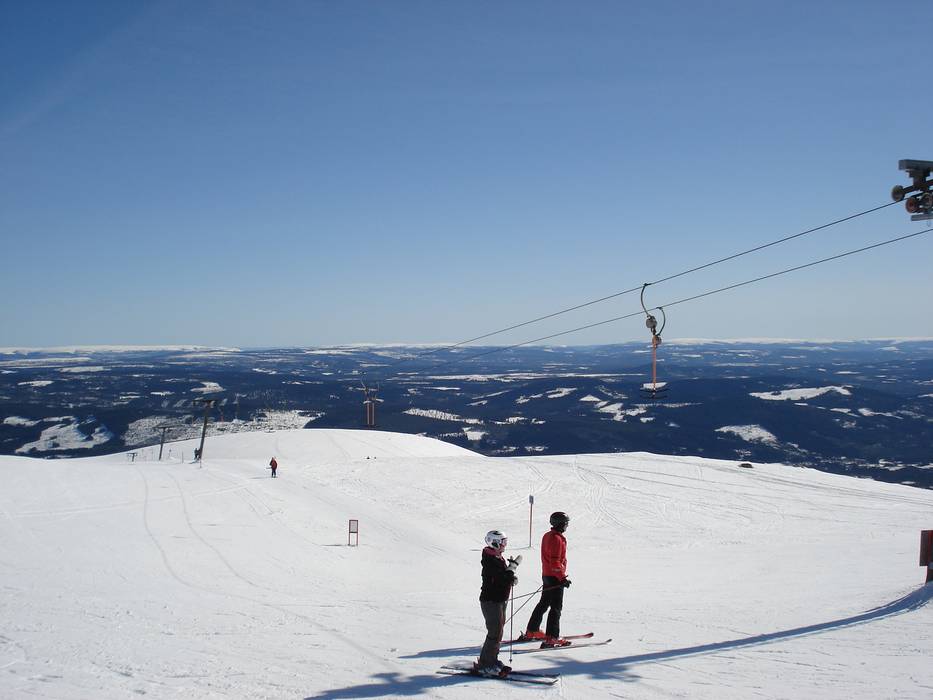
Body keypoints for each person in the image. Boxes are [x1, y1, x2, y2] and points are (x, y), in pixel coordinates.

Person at [475, 530, 522, 677]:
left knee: (498, 632)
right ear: (494, 543)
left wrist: (510, 575)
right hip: (491, 601)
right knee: (494, 632)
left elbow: (502, 578)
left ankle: (492, 661)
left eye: (505, 542)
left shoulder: (497, 557)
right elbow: (500, 578)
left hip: (499, 599)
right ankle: (485, 665)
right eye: (503, 542)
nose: (504, 545)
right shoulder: (490, 560)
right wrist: (512, 570)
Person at [521, 511, 571, 648]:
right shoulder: (556, 539)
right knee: (556, 607)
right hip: (555, 577)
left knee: (544, 603)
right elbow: (554, 561)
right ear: (560, 524)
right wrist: (562, 578)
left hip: (547, 575)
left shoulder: (548, 535)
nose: (567, 526)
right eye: (566, 523)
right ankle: (552, 637)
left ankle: (532, 630)